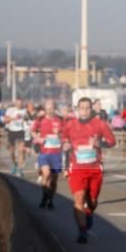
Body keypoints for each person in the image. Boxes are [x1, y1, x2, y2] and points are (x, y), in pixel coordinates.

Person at [61, 97, 116, 244]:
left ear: (91, 109)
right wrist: (65, 146)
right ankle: (82, 231)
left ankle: (89, 212)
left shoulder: (100, 124)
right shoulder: (70, 125)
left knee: (92, 201)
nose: (84, 111)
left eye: (87, 108)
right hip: (77, 168)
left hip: (94, 169)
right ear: (77, 109)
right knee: (78, 200)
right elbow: (63, 140)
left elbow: (112, 141)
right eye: (82, 108)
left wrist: (100, 143)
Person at [32, 100, 65, 209]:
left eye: (51, 109)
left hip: (56, 154)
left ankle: (50, 200)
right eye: (47, 109)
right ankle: (44, 197)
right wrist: (38, 138)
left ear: (55, 108)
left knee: (54, 180)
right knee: (46, 175)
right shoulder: (40, 119)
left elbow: (67, 133)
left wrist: (61, 136)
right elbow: (32, 131)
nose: (49, 111)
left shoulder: (60, 120)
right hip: (44, 153)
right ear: (45, 109)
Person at [2, 98, 27, 176]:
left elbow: (28, 120)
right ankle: (14, 164)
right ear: (15, 103)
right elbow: (5, 120)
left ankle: (20, 169)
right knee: (12, 151)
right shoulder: (10, 110)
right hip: (12, 131)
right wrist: (13, 118)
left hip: (21, 131)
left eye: (20, 103)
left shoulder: (24, 111)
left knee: (21, 150)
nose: (19, 104)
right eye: (17, 103)